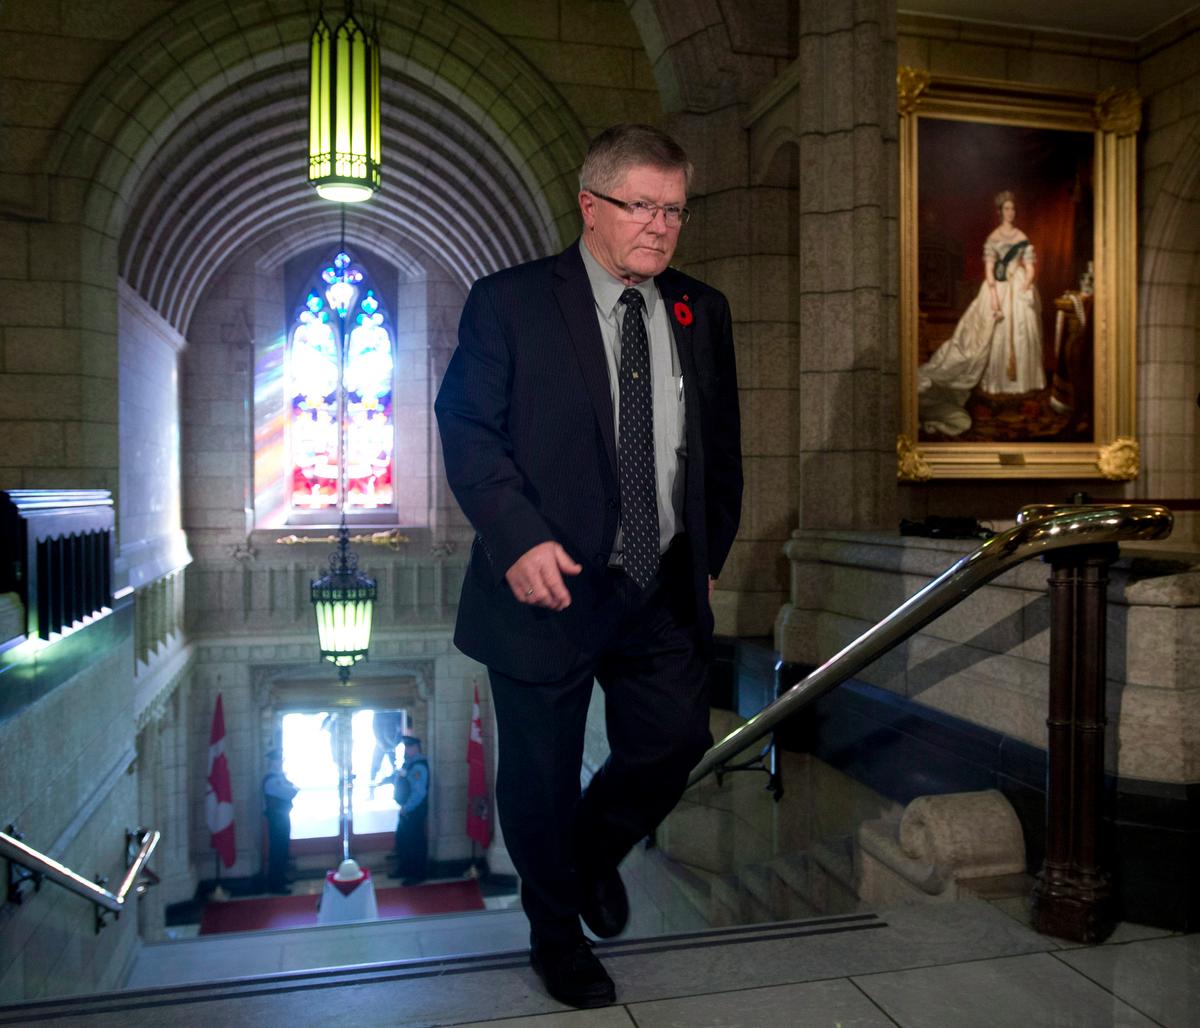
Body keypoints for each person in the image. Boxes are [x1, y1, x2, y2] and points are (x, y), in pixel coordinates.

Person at [435, 123, 742, 1008]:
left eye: (673, 209)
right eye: (640, 206)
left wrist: (708, 554)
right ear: (590, 206)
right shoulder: (511, 303)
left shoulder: (700, 308)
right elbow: (469, 431)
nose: (659, 226)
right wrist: (518, 538)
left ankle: (590, 853)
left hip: (660, 585)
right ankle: (555, 932)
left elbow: (719, 453)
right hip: (548, 584)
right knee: (539, 772)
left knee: (675, 741)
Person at [918, 190, 1045, 436]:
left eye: (1013, 209)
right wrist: (996, 301)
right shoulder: (993, 238)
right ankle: (996, 386)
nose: (1011, 212)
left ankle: (1021, 387)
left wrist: (1026, 285)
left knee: (1022, 334)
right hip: (996, 287)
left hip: (1018, 288)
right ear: (999, 212)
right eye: (1006, 209)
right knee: (993, 336)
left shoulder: (1022, 236)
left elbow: (1029, 267)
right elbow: (989, 273)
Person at [389, 735, 429, 885]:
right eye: (405, 747)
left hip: (413, 810)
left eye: (409, 747)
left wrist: (407, 808)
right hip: (407, 809)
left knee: (414, 843)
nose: (406, 749)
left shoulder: (419, 766)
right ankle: (404, 869)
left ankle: (417, 874)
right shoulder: (409, 763)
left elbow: (419, 792)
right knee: (403, 840)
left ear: (416, 748)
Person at [261, 749, 298, 894]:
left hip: (282, 816)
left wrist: (291, 788)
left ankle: (281, 878)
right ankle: (276, 884)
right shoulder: (271, 780)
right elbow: (290, 792)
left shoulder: (279, 777)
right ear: (272, 762)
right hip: (276, 818)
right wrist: (292, 789)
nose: (280, 763)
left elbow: (292, 788)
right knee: (277, 850)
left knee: (283, 848)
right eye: (278, 760)